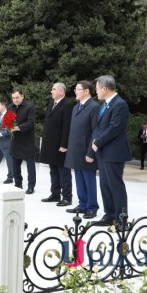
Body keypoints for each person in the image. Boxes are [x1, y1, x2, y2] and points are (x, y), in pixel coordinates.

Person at [90, 75, 132, 227]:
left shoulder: (119, 104)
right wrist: (95, 143)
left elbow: (114, 128)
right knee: (105, 185)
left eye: (97, 88)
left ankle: (122, 219)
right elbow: (99, 127)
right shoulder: (105, 104)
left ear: (104, 88)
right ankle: (109, 215)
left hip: (114, 152)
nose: (96, 92)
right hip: (103, 151)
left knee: (115, 185)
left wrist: (98, 142)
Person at [64, 81, 99, 219]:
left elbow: (95, 131)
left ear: (87, 91)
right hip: (75, 150)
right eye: (75, 89)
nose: (75, 92)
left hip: (86, 150)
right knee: (78, 178)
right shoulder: (76, 107)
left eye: (78, 89)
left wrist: (91, 152)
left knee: (89, 179)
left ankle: (92, 207)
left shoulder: (94, 107)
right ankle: (82, 204)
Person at [40, 82, 74, 207]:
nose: (51, 91)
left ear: (61, 91)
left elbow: (67, 126)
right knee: (53, 170)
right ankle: (55, 194)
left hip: (60, 144)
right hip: (50, 143)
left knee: (63, 170)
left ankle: (67, 196)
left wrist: (64, 144)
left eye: (54, 89)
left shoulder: (67, 105)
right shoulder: (51, 104)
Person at [8, 89, 37, 194]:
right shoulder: (10, 107)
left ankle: (31, 186)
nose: (15, 100)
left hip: (27, 139)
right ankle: (18, 183)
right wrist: (8, 125)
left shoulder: (30, 107)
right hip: (15, 139)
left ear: (22, 96)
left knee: (30, 165)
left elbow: (31, 123)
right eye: (13, 98)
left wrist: (18, 127)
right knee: (15, 163)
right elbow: (8, 120)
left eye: (17, 97)